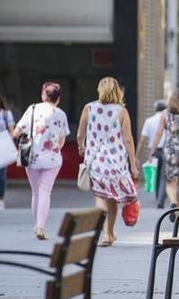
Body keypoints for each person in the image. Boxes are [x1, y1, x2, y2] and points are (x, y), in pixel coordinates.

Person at [77, 77, 139, 246]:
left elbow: (80, 134)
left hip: (96, 162)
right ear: (117, 91)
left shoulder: (89, 108)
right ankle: (109, 233)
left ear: (100, 90)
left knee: (100, 197)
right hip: (116, 164)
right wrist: (133, 164)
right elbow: (128, 140)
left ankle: (105, 234)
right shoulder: (121, 111)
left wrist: (81, 147)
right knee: (112, 200)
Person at [13, 83, 68, 240]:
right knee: (45, 191)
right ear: (58, 98)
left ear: (43, 95)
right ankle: (40, 227)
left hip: (32, 158)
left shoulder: (32, 109)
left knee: (36, 192)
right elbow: (62, 140)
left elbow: (17, 132)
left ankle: (37, 225)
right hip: (53, 159)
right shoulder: (61, 114)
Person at [140, 100, 168, 208]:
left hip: (154, 150)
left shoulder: (149, 121)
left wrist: (138, 155)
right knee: (164, 176)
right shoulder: (168, 118)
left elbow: (142, 140)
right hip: (166, 150)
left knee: (155, 174)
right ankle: (161, 198)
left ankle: (158, 196)